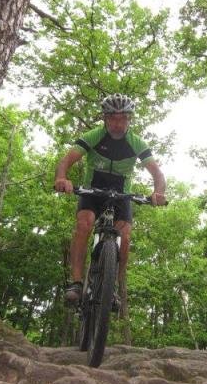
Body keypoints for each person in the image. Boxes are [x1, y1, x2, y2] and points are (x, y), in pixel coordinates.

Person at [54, 93, 167, 307]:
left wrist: (158, 193)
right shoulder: (94, 136)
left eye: (123, 118)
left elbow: (157, 174)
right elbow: (67, 160)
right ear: (105, 119)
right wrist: (61, 178)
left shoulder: (136, 142)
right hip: (92, 190)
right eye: (113, 118)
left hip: (121, 193)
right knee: (83, 224)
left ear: (129, 120)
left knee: (124, 237)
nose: (118, 124)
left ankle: (112, 288)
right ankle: (76, 283)